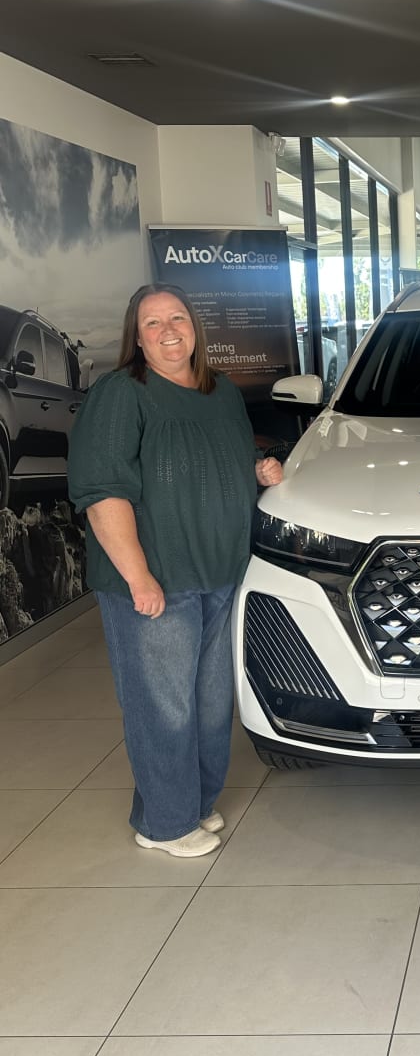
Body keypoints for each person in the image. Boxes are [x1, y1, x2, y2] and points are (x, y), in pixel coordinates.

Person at [68, 284, 283, 858]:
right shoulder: (122, 394)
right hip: (158, 579)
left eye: (178, 318)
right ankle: (164, 824)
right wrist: (138, 577)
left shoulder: (221, 391)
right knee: (162, 706)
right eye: (152, 322)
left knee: (210, 704)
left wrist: (258, 470)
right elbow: (102, 492)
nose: (168, 331)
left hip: (220, 573)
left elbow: (221, 459)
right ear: (136, 337)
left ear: (195, 327)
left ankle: (195, 802)